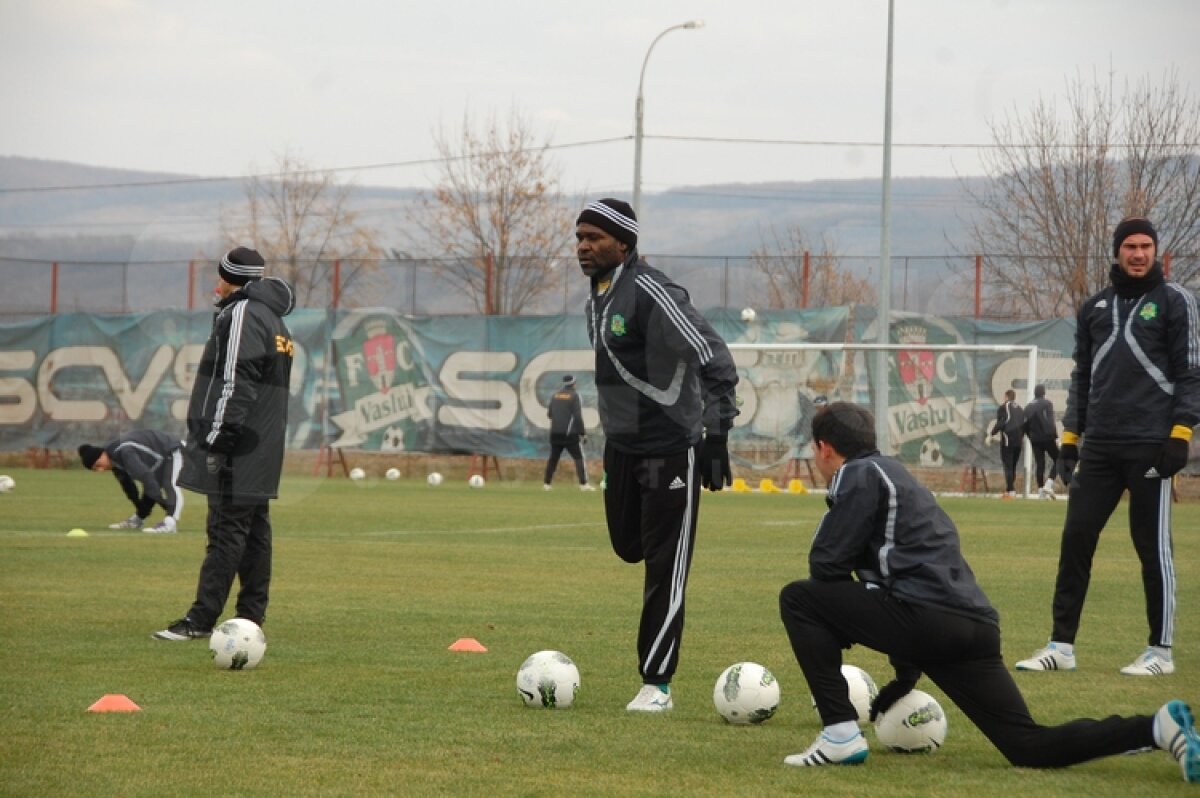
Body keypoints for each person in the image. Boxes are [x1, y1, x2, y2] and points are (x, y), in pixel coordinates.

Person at [777, 401, 1199, 780]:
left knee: (799, 598)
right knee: (1027, 745)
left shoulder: (856, 472)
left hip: (927, 619)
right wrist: (905, 673)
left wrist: (847, 626)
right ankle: (1157, 727)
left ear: (824, 448)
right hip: (972, 625)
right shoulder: (896, 474)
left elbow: (827, 566)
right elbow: (914, 573)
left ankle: (839, 732)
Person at [1016, 217, 1200, 676]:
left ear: (1155, 252)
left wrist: (1181, 435)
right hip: (1099, 446)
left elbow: (1192, 374)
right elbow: (1083, 377)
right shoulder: (1094, 306)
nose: (1138, 254)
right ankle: (1061, 646)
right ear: (1116, 252)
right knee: (1076, 540)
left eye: (1146, 246)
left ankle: (1160, 651)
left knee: (1151, 546)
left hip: (1152, 446)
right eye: (1130, 247)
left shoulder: (1176, 302)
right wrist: (1071, 440)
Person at [575, 198, 739, 711]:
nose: (583, 246)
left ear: (623, 242)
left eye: (594, 237)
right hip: (622, 450)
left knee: (665, 565)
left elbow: (711, 354)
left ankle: (657, 683)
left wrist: (717, 434)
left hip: (671, 448)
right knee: (629, 546)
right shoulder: (597, 299)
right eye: (579, 237)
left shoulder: (651, 290)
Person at [153, 246, 295, 641]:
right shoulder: (276, 321)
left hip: (238, 443)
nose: (216, 287)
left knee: (225, 531)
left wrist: (217, 439)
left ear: (233, 280)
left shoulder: (243, 314)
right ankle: (250, 617)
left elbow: (236, 381)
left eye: (220, 279)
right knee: (254, 533)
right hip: (264, 446)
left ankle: (200, 620)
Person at [78, 429, 185, 533]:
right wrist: (140, 506)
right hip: (159, 459)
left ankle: (170, 524)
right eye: (95, 469)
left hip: (172, 449)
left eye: (98, 465)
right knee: (151, 487)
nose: (100, 470)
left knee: (170, 483)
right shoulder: (113, 459)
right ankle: (137, 521)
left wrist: (163, 503)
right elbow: (128, 487)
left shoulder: (125, 452)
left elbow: (146, 477)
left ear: (102, 454)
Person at [542, 375, 595, 491]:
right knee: (579, 458)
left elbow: (549, 414)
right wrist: (583, 433)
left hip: (555, 433)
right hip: (569, 434)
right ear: (574, 384)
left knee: (553, 459)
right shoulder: (575, 396)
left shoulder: (555, 395)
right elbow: (577, 416)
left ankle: (547, 484)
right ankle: (584, 484)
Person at [1022, 383, 1060, 499]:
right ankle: (1048, 484)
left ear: (1034, 393)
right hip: (1047, 437)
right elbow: (1050, 421)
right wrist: (1055, 436)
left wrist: (1031, 437)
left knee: (1040, 464)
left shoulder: (1028, 407)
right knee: (1059, 458)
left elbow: (1025, 426)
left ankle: (1040, 492)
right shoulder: (1047, 403)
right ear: (1044, 393)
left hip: (1035, 439)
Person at [988, 388, 1024, 498]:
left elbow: (1001, 422)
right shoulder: (1020, 409)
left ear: (1006, 396)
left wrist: (991, 433)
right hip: (1019, 441)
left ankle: (1011, 491)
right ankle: (1009, 490)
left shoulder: (1004, 407)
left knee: (1008, 465)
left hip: (1008, 440)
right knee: (1012, 466)